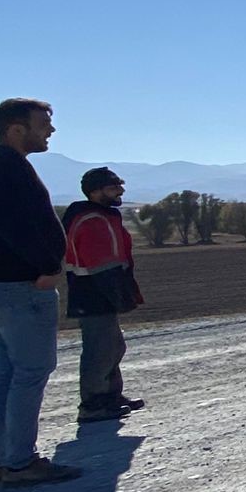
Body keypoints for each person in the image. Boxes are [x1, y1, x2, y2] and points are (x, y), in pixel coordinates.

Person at [0, 98, 80, 487]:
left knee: (4, 371)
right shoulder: (8, 169)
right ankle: (19, 462)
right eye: (44, 123)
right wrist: (47, 267)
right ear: (16, 129)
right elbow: (20, 228)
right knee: (30, 372)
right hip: (20, 286)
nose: (50, 130)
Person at [62, 166, 145, 423]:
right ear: (95, 192)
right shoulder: (91, 219)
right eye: (112, 188)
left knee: (113, 346)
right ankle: (93, 404)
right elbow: (100, 263)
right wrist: (117, 292)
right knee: (100, 349)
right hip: (93, 292)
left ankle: (110, 396)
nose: (119, 191)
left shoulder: (103, 215)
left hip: (101, 290)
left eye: (119, 186)